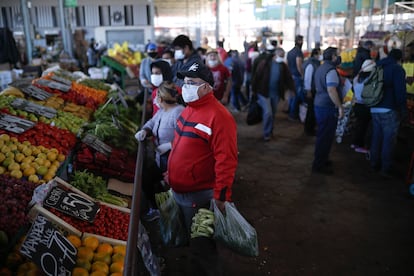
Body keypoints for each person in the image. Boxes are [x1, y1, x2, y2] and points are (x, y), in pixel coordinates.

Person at [165, 61, 238, 275]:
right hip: (180, 191)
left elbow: (227, 160)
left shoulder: (219, 116)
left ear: (207, 86)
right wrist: (171, 172)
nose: (185, 87)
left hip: (200, 195)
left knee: (202, 248)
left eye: (192, 83)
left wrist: (221, 196)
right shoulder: (189, 110)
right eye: (185, 82)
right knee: (191, 240)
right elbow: (179, 145)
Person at [135, 81, 184, 221]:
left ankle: (175, 216)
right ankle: (157, 209)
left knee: (171, 187)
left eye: (156, 97)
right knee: (147, 178)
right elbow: (152, 122)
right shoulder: (163, 111)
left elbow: (186, 137)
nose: (155, 100)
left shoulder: (178, 112)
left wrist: (169, 145)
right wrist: (144, 130)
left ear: (161, 99)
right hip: (160, 157)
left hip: (173, 158)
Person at [370, 48, 407, 178]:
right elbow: (400, 92)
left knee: (377, 136)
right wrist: (403, 109)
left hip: (374, 107)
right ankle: (386, 168)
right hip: (389, 109)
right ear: (399, 58)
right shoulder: (397, 69)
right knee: (388, 139)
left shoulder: (377, 66)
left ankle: (374, 163)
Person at [312, 47, 344, 175]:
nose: (338, 57)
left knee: (323, 135)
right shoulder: (331, 70)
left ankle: (322, 159)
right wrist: (340, 106)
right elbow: (331, 90)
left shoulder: (321, 67)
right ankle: (319, 165)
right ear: (332, 57)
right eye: (337, 55)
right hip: (327, 107)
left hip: (319, 104)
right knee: (325, 136)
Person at [251, 47, 295, 141]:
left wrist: (292, 89)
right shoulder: (265, 64)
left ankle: (270, 131)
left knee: (273, 113)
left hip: (275, 93)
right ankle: (266, 133)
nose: (282, 58)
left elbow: (288, 78)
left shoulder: (282, 65)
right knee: (268, 112)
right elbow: (257, 76)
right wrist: (253, 90)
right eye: (281, 56)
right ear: (275, 55)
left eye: (283, 56)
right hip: (263, 92)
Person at [350, 59, 374, 153]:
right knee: (364, 127)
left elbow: (353, 89)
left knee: (359, 125)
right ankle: (359, 146)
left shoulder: (357, 77)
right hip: (365, 106)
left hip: (357, 105)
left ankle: (355, 143)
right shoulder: (370, 79)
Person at [303, 48, 322, 136]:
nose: (320, 56)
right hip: (311, 90)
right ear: (315, 54)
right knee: (311, 111)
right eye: (319, 54)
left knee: (312, 110)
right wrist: (308, 90)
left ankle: (310, 128)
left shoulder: (314, 63)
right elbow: (307, 78)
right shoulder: (311, 64)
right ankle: (308, 129)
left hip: (314, 90)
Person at [287, 35, 305, 121]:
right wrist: (302, 75)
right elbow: (299, 65)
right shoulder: (298, 52)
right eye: (302, 40)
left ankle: (290, 111)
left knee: (291, 95)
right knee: (296, 96)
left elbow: (287, 64)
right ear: (299, 41)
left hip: (291, 76)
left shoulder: (290, 52)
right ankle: (293, 115)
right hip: (297, 77)